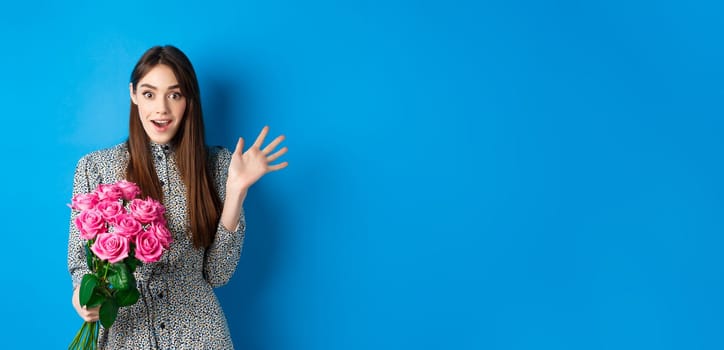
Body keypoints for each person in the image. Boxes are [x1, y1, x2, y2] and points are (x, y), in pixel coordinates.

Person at [67, 45, 288, 349]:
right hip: (127, 336)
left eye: (174, 94)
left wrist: (236, 192)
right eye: (149, 94)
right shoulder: (95, 168)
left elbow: (218, 273)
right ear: (133, 94)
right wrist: (83, 295)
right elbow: (82, 263)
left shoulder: (220, 166)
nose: (161, 109)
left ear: (189, 100)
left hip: (200, 336)